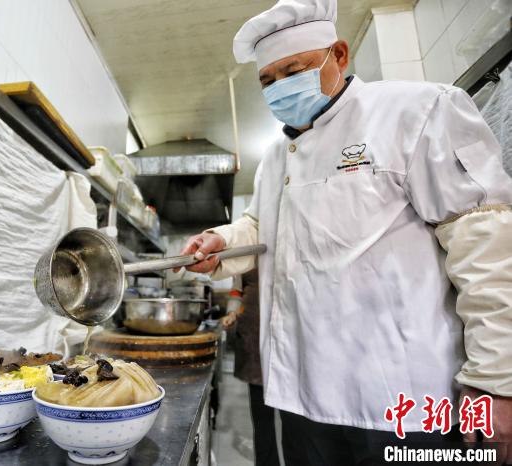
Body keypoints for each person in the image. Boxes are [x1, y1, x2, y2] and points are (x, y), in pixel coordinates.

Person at [179, 0, 512, 464]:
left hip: (408, 401)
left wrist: (497, 378)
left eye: (293, 70)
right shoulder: (276, 158)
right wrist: (224, 241)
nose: (280, 87)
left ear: (338, 54)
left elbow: (486, 243)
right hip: (303, 394)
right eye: (268, 80)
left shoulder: (416, 111)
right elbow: (261, 225)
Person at [222, 270, 280, 465]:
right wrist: (232, 313)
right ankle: (266, 462)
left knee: (294, 417)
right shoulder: (245, 256)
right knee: (261, 413)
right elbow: (237, 290)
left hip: (286, 336)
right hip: (253, 337)